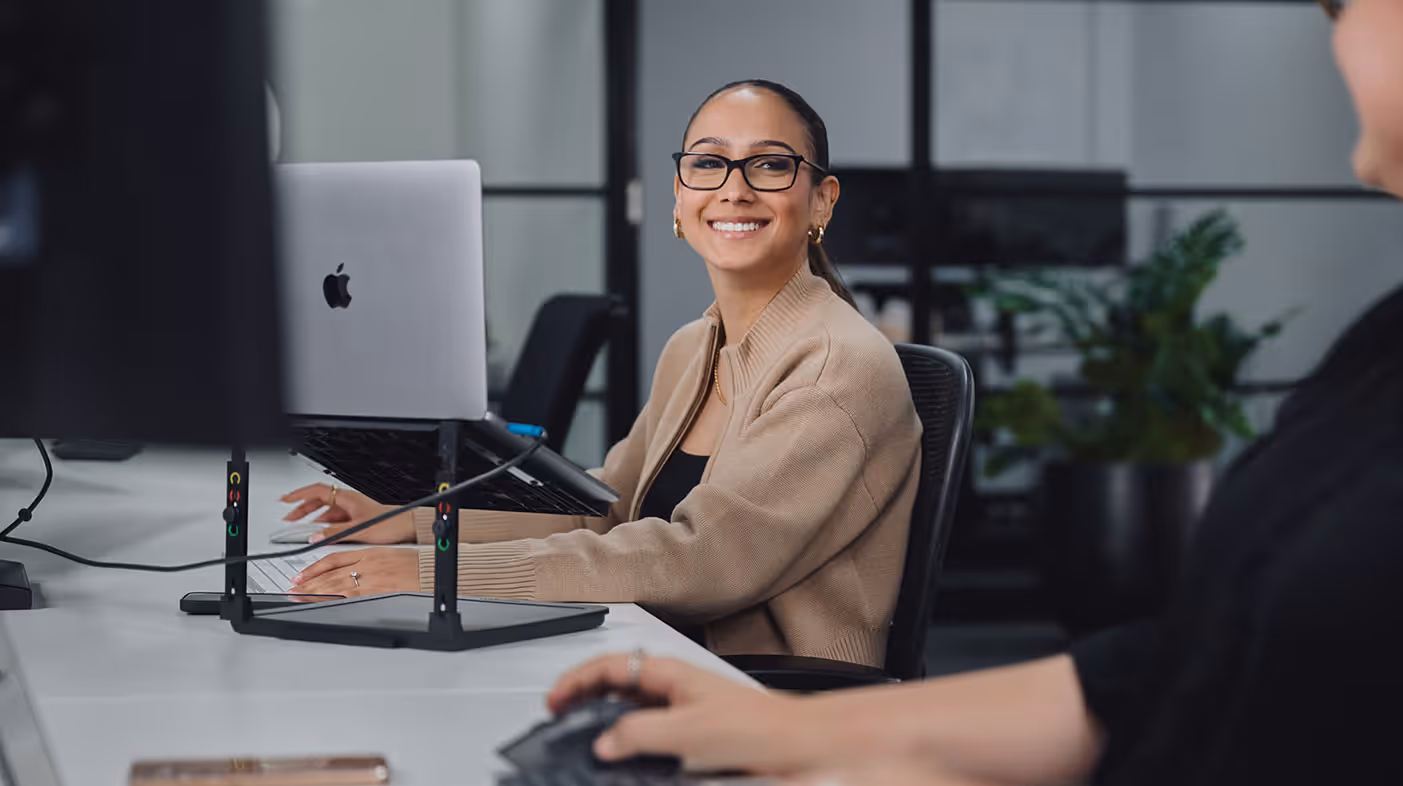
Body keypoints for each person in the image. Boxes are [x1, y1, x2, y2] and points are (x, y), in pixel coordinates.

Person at [547, 1, 1403, 786]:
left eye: (1341, 6)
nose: (1329, 33)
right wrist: (790, 733)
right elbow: (1177, 662)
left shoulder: (833, 362)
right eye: (706, 162)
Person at [281, 80, 922, 669]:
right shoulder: (695, 346)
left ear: (822, 200)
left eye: (771, 164)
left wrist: (435, 570)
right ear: (680, 196)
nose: (735, 188)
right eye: (708, 162)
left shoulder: (837, 368)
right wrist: (419, 522)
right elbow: (604, 515)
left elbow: (704, 560)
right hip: (652, 650)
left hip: (767, 698)